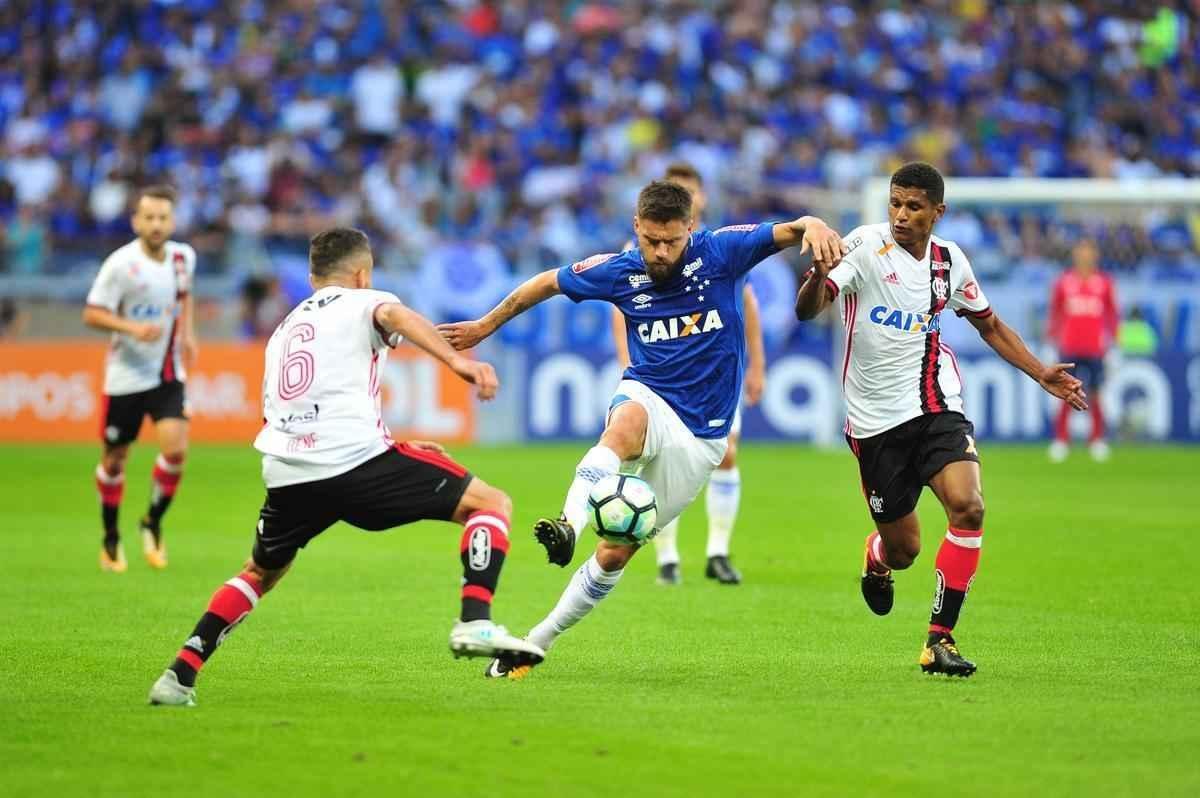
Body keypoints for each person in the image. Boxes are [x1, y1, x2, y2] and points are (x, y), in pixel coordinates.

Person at [440, 181, 844, 679]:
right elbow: (546, 281)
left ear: (689, 230)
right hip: (649, 393)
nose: (659, 251)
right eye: (651, 240)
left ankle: (534, 642)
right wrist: (485, 325)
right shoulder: (621, 269)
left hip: (702, 436)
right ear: (637, 226)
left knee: (614, 554)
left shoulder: (722, 250)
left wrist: (817, 224)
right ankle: (568, 522)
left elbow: (794, 228)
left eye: (670, 242)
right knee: (623, 425)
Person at [147, 228, 543, 706]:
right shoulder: (365, 301)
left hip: (290, 470)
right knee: (491, 504)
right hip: (352, 463)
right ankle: (475, 620)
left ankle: (179, 676)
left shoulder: (284, 330)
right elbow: (394, 314)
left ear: (313, 275)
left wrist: (388, 445)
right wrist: (458, 364)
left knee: (260, 571)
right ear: (361, 273)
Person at [795, 162, 1088, 677]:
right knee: (904, 549)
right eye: (895, 204)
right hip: (875, 424)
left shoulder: (951, 262)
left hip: (936, 405)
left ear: (937, 212)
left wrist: (1040, 371)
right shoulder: (864, 246)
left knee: (968, 507)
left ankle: (939, 639)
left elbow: (989, 324)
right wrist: (819, 274)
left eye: (913, 207)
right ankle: (877, 556)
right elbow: (808, 310)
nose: (901, 216)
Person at [611, 162, 765, 586]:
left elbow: (747, 306)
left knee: (727, 455)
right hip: (659, 374)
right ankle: (667, 558)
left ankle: (717, 551)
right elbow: (619, 309)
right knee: (662, 460)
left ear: (699, 202)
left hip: (715, 374)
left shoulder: (719, 249)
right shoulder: (641, 249)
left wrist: (758, 366)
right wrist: (633, 367)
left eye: (691, 192)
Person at [83, 185, 198, 572]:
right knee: (115, 460)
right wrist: (131, 327)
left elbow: (184, 297)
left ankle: (151, 522)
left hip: (167, 372)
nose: (155, 224)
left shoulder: (184, 258)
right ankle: (111, 537)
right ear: (136, 221)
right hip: (126, 377)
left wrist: (188, 335)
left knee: (176, 451)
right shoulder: (120, 264)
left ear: (172, 220)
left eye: (162, 217)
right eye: (148, 217)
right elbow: (93, 313)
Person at [1047, 239, 1119, 462]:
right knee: (1066, 393)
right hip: (1069, 346)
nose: (1085, 256)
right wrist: (1051, 343)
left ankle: (1097, 439)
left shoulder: (1104, 283)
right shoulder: (1064, 282)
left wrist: (1114, 345)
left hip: (1096, 349)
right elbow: (1055, 314)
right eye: (1081, 252)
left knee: (1097, 394)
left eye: (1089, 252)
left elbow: (1113, 315)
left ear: (1095, 255)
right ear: (1075, 255)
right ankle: (1061, 439)